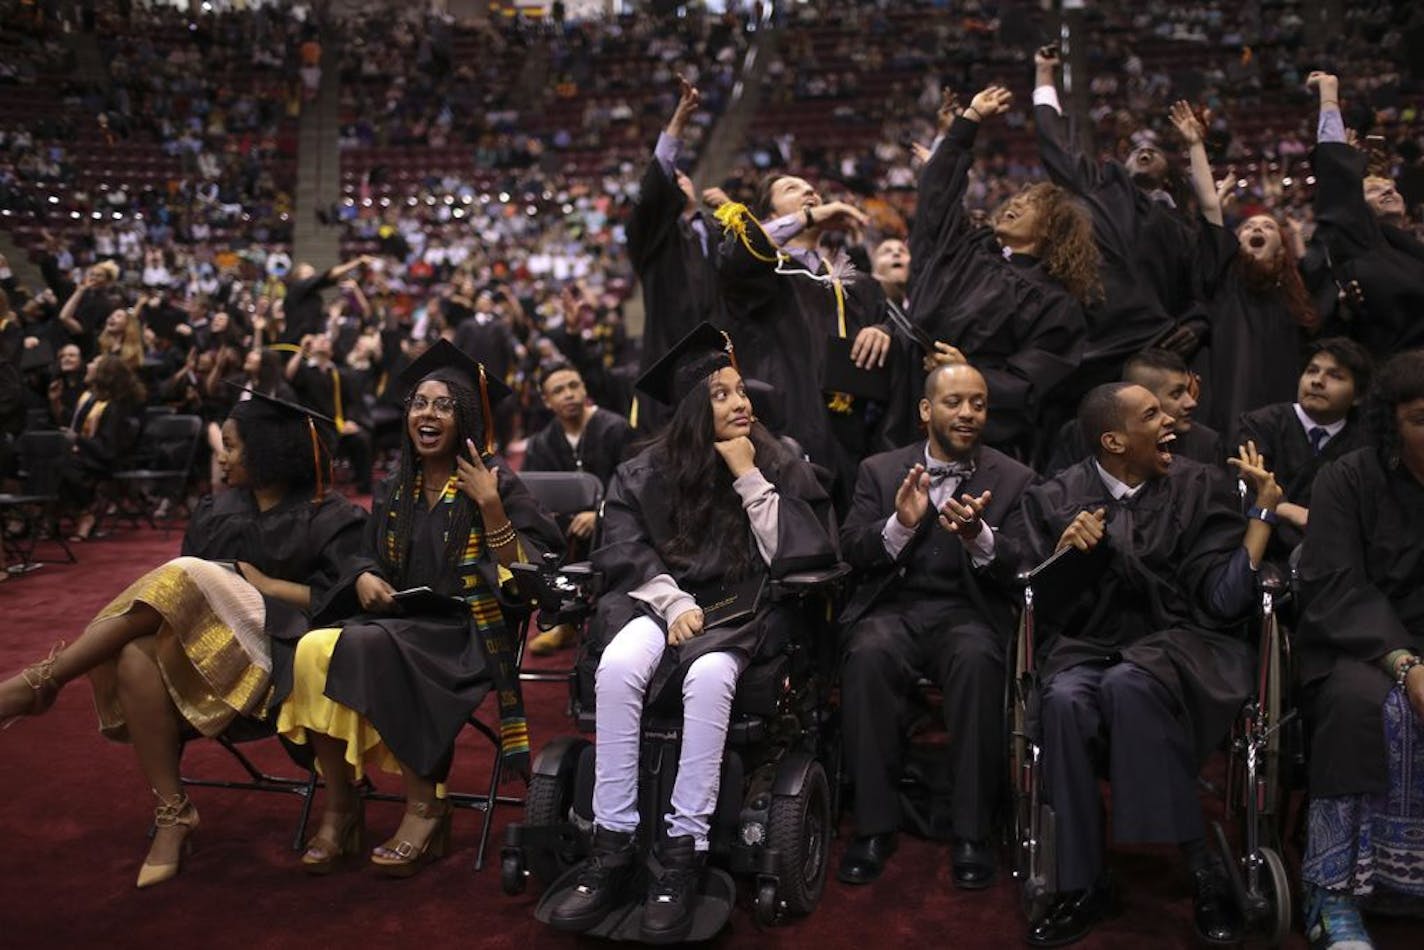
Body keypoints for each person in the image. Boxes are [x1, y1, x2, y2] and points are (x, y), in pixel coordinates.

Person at [0, 391, 366, 887]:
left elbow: (347, 603)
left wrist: (268, 587)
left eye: (232, 446)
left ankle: (43, 681)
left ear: (267, 449)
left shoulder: (331, 514)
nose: (221, 455)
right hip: (205, 663)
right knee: (133, 653)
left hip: (281, 661)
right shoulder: (217, 508)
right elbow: (173, 604)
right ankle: (174, 813)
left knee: (186, 570)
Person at [547, 323, 837, 942]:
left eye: (741, 391)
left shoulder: (773, 456)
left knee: (709, 676)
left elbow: (798, 554)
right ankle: (612, 844)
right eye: (722, 394)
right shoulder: (643, 470)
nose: (742, 404)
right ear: (688, 410)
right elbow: (623, 547)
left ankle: (683, 851)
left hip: (741, 611)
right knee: (620, 666)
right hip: (659, 601)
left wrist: (749, 477)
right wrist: (672, 601)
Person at [278, 340, 561, 878]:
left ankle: (426, 803)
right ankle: (342, 805)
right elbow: (366, 552)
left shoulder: (495, 479)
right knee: (312, 649)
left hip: (467, 634)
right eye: (419, 403)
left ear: (466, 418)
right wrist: (363, 575)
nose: (426, 414)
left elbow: (534, 576)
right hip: (402, 624)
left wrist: (492, 505)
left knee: (365, 643)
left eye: (443, 405)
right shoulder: (395, 485)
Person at [1015, 381, 1284, 947]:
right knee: (1063, 700)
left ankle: (1199, 866)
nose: (1173, 423)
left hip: (1186, 646)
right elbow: (1043, 602)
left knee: (1130, 681)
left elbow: (1223, 601)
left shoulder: (1200, 486)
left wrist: (1261, 514)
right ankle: (1083, 882)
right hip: (1088, 646)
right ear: (1114, 440)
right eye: (1153, 415)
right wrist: (1066, 554)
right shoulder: (1055, 497)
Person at [837, 363, 1033, 888]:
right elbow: (850, 549)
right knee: (868, 653)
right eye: (954, 402)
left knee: (976, 660)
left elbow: (1026, 564)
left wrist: (979, 539)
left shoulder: (1014, 478)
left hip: (968, 613)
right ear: (926, 410)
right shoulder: (879, 470)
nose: (968, 413)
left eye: (978, 403)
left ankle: (972, 831)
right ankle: (873, 827)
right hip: (893, 608)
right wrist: (899, 524)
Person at [1295, 349, 1424, 947]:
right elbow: (1334, 585)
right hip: (1360, 641)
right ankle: (1336, 895)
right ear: (1390, 423)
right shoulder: (1347, 478)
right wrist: (1406, 664)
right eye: (1421, 418)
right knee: (1358, 705)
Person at [901, 85, 1095, 460]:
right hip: (905, 400)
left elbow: (1029, 382)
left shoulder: (1055, 304)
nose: (1015, 205)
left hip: (980, 438)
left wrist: (965, 372)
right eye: (1015, 199)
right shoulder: (964, 249)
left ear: (1053, 229)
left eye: (1030, 205)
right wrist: (968, 121)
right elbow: (936, 194)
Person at [1033, 47, 1206, 396]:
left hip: (1161, 348)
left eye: (1154, 152)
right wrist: (1044, 75)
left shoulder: (1186, 230)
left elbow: (1205, 291)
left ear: (1170, 179)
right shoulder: (1101, 187)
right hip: (1098, 346)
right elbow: (1054, 143)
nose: (1143, 150)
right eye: (1135, 152)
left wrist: (1200, 322)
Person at [715, 160, 886, 510]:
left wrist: (883, 331)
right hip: (785, 428)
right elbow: (742, 252)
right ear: (769, 216)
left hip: (850, 436)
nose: (810, 191)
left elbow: (888, 323)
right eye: (792, 189)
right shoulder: (762, 273)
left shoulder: (853, 283)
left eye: (812, 189)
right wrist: (808, 217)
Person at [1168, 100, 1317, 437]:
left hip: (1283, 411)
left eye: (1266, 226)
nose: (1257, 230)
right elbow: (1208, 207)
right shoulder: (1227, 275)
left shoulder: (1297, 292)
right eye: (1249, 227)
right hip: (1229, 407)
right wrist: (1195, 145)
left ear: (1282, 242)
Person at [626, 76, 723, 430]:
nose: (676, 180)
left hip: (725, 361)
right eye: (671, 179)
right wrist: (678, 124)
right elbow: (654, 190)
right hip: (670, 364)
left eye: (682, 177)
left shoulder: (719, 232)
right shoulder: (655, 242)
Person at [1307, 71, 1424, 358]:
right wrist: (1329, 93)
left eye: (1391, 186)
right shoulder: (1359, 242)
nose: (1388, 190)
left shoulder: (1414, 250)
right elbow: (1335, 173)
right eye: (1374, 189)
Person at [522, 362, 634, 654]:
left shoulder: (615, 429)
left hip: (613, 528)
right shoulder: (541, 443)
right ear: (546, 401)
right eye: (558, 391)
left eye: (574, 386)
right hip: (564, 536)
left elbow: (634, 486)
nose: (569, 394)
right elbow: (529, 500)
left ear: (584, 389)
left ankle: (613, 620)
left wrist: (600, 514)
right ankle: (564, 621)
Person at [1237, 338, 1373, 561]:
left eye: (1335, 376)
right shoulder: (1261, 424)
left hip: (1340, 558)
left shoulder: (1368, 441)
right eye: (1312, 371)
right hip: (1266, 553)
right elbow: (1249, 492)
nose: (1317, 381)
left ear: (1358, 396)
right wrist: (1291, 511)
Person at [1045, 349, 1221, 476]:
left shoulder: (1206, 443)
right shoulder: (1081, 434)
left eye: (1188, 391)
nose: (1191, 402)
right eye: (1176, 394)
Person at [57, 354, 146, 541]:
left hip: (105, 461)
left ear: (104, 373)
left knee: (62, 464)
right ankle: (55, 515)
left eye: (93, 364)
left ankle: (84, 512)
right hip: (87, 455)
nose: (87, 365)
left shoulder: (115, 406)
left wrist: (77, 440)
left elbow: (108, 449)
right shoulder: (90, 399)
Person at [287, 332, 373, 494]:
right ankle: (320, 485)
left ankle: (364, 486)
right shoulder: (304, 370)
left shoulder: (339, 373)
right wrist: (301, 350)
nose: (323, 342)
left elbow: (352, 402)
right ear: (311, 348)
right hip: (314, 425)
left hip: (338, 424)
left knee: (361, 438)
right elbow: (289, 376)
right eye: (319, 340)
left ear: (332, 351)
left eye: (326, 341)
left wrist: (351, 421)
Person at [280, 256, 375, 344]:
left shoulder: (315, 297)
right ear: (297, 277)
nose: (312, 276)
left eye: (313, 274)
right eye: (308, 274)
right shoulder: (295, 288)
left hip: (310, 344)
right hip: (293, 343)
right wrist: (358, 262)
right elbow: (327, 276)